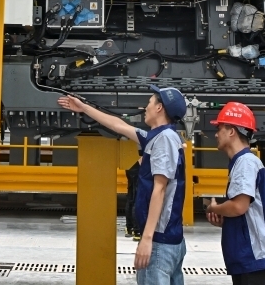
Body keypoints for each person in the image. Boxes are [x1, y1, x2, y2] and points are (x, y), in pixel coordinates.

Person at [59, 86, 187, 285]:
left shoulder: (165, 140)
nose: (146, 107)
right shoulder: (158, 136)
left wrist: (146, 239)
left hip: (160, 242)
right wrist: (84, 108)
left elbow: (159, 190)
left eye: (150, 102)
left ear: (160, 108)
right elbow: (119, 125)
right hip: (164, 239)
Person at [205, 102, 265, 285]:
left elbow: (239, 206)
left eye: (220, 128)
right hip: (249, 264)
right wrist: (225, 218)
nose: (216, 134)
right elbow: (245, 213)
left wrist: (215, 208)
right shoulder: (242, 163)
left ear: (232, 131)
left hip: (257, 266)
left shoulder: (246, 163)